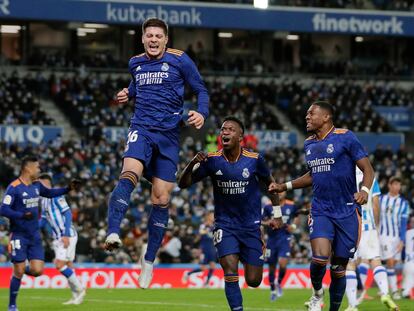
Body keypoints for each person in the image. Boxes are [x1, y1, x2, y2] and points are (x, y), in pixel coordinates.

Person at [104, 17, 209, 289]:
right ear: (142, 38)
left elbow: (200, 89)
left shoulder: (180, 59)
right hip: (141, 129)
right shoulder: (135, 62)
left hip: (170, 136)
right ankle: (113, 232)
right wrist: (128, 93)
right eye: (148, 35)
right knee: (129, 173)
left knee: (161, 198)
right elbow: (138, 87)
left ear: (165, 39)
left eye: (157, 36)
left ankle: (148, 261)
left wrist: (202, 112)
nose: (153, 40)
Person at [269, 101, 375, 311]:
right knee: (319, 258)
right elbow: (312, 175)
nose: (307, 117)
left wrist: (364, 191)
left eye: (311, 113)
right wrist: (285, 186)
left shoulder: (346, 137)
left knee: (338, 269)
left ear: (326, 117)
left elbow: (368, 169)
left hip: (347, 211)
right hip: (321, 209)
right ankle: (317, 292)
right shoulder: (309, 144)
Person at [178, 116, 283, 311]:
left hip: (251, 226)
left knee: (253, 280)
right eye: (223, 129)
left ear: (240, 136)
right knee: (230, 270)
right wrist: (192, 163)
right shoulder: (212, 160)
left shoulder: (254, 160)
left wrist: (277, 215)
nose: (224, 132)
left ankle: (250, 252)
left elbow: (272, 186)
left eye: (230, 129)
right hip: (225, 225)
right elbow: (182, 184)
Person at [0, 156, 81, 311]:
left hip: (34, 235)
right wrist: (21, 215)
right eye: (37, 167)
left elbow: (50, 193)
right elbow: (3, 209)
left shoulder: (37, 185)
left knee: (37, 271)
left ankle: (20, 270)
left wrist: (68, 189)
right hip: (19, 235)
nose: (39, 170)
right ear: (27, 169)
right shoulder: (14, 187)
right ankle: (12, 305)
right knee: (18, 270)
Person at [344, 168, 398, 311]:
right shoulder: (370, 176)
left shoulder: (344, 173)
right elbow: (375, 205)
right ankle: (386, 294)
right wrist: (376, 226)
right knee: (375, 260)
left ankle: (352, 305)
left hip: (351, 226)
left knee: (350, 264)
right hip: (369, 226)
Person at [38, 173, 86, 305]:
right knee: (69, 265)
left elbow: (67, 213)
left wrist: (65, 234)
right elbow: (42, 220)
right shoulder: (43, 200)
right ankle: (76, 296)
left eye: (40, 183)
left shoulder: (56, 195)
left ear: (47, 184)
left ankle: (80, 289)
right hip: (58, 236)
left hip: (66, 234)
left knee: (59, 264)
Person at [262, 192, 301, 301]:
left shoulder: (291, 205)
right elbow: (262, 221)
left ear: (285, 192)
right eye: (277, 192)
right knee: (271, 267)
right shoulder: (268, 206)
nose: (279, 193)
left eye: (281, 191)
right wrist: (268, 222)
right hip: (272, 239)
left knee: (283, 264)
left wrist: (293, 226)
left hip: (285, 238)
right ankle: (272, 289)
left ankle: (279, 283)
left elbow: (297, 216)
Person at [379, 177, 409, 299]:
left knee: (394, 263)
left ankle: (384, 288)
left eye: (399, 184)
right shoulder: (381, 199)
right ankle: (395, 291)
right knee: (390, 261)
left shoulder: (404, 203)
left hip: (396, 236)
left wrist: (402, 240)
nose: (397, 187)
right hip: (384, 235)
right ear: (389, 185)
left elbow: (403, 222)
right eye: (395, 184)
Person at [183, 211, 217, 287]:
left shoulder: (215, 226)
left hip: (212, 248)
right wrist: (208, 229)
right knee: (203, 268)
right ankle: (188, 274)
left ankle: (207, 283)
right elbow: (200, 232)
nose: (213, 217)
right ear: (208, 217)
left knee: (212, 266)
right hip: (204, 248)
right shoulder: (203, 225)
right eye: (211, 216)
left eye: (213, 216)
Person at [402, 216, 414, 299]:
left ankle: (406, 292)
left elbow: (402, 247)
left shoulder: (407, 233)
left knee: (408, 282)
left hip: (408, 262)